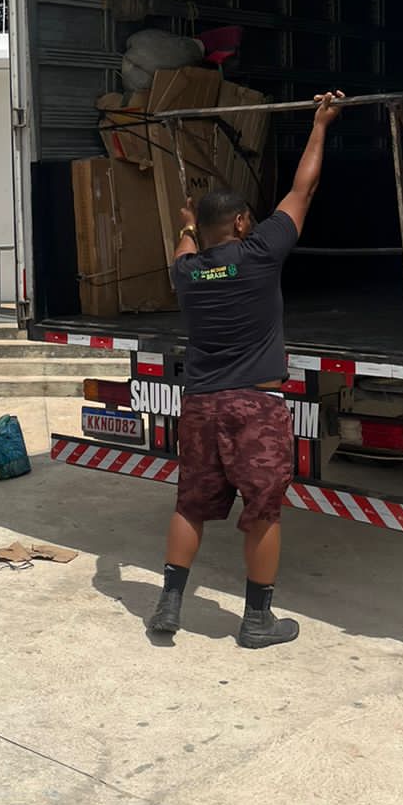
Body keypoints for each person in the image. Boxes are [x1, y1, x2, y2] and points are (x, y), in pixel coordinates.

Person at [148, 91, 345, 648]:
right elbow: (302, 190)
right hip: (255, 406)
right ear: (240, 223)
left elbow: (185, 246)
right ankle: (257, 620)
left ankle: (169, 604)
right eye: (248, 218)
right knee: (262, 511)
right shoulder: (259, 253)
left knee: (191, 503)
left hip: (201, 404)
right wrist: (320, 124)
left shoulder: (187, 274)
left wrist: (188, 221)